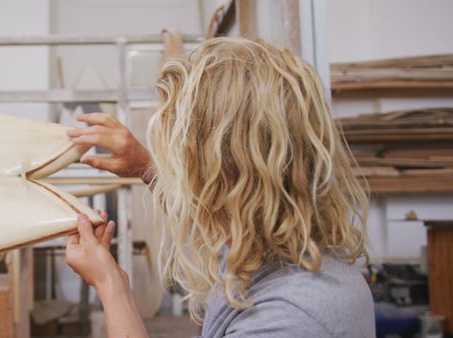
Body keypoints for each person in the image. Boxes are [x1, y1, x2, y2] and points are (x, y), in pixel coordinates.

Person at [64, 37, 375, 338]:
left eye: (182, 158)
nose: (179, 174)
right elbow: (205, 213)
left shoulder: (286, 319)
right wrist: (144, 166)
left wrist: (111, 284)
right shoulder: (270, 244)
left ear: (227, 173)